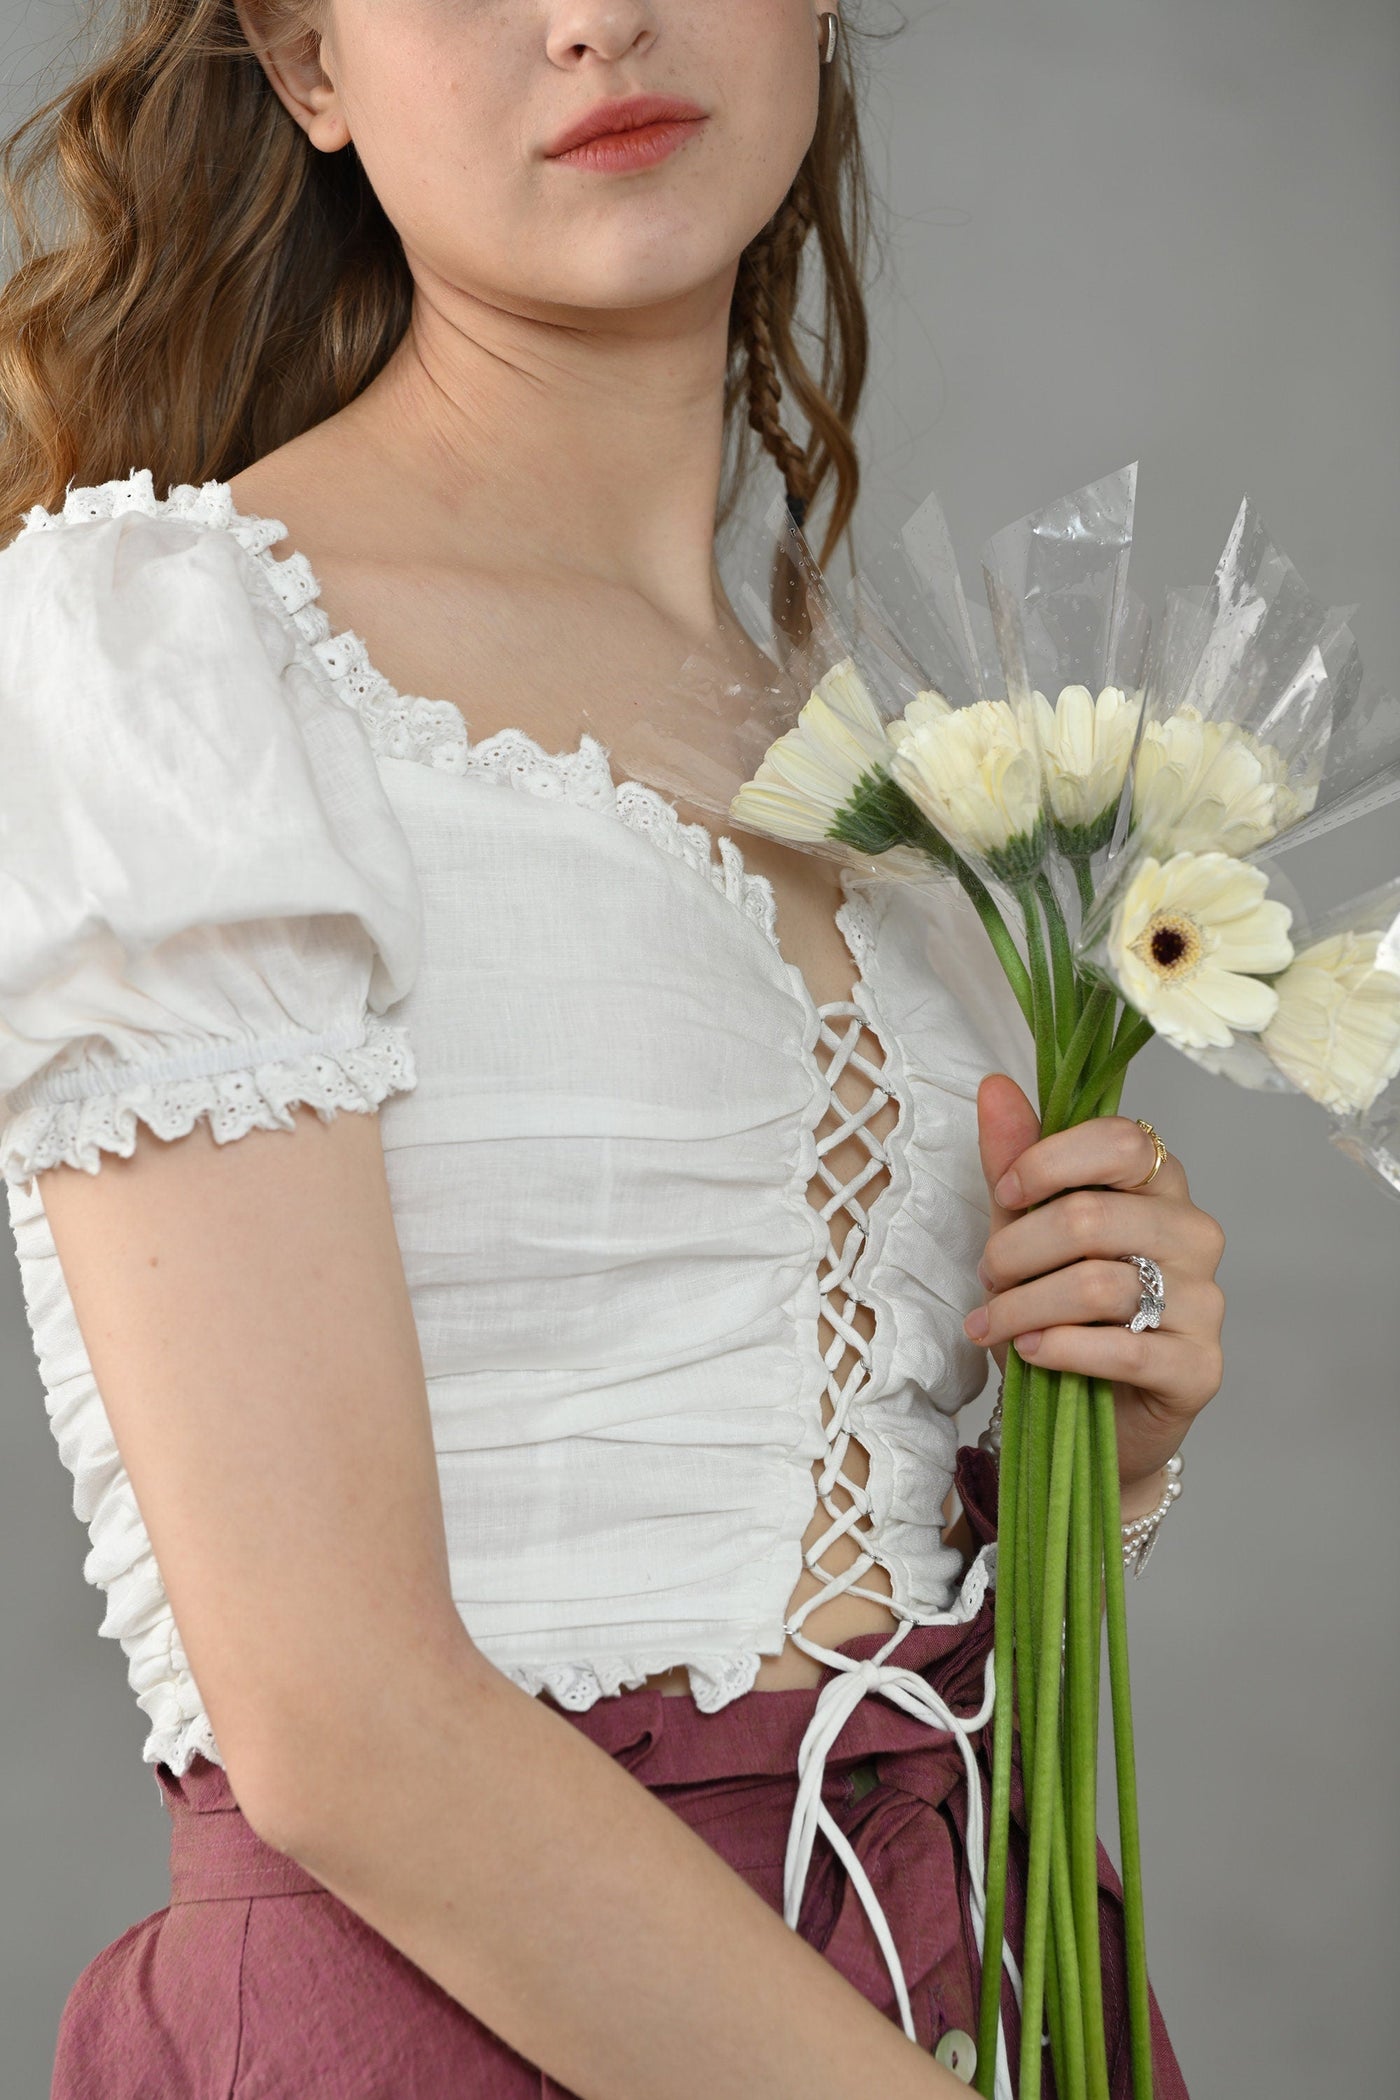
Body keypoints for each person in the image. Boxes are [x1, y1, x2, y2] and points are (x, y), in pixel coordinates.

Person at [0, 4, 1222, 2093]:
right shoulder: (167, 648)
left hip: (973, 1970)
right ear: (309, 66)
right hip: (454, 2021)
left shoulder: (867, 740)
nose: (591, 17)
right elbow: (341, 1722)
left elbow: (825, 1521)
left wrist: (1089, 1459)